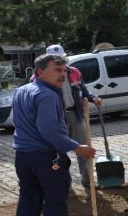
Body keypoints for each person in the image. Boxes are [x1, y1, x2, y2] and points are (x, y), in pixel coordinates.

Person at [6, 54, 96, 216]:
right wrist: (77, 148)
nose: (63, 74)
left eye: (65, 70)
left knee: (29, 197)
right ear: (40, 72)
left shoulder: (21, 91)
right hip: (47, 158)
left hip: (23, 156)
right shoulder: (47, 95)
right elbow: (50, 131)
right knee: (55, 201)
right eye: (57, 70)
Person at [44, 44, 102, 191]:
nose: (60, 62)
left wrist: (93, 98)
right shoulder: (41, 77)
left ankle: (88, 181)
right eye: (55, 60)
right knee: (59, 153)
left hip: (75, 114)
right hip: (57, 119)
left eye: (61, 59)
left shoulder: (74, 72)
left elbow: (83, 90)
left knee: (84, 149)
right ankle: (65, 186)